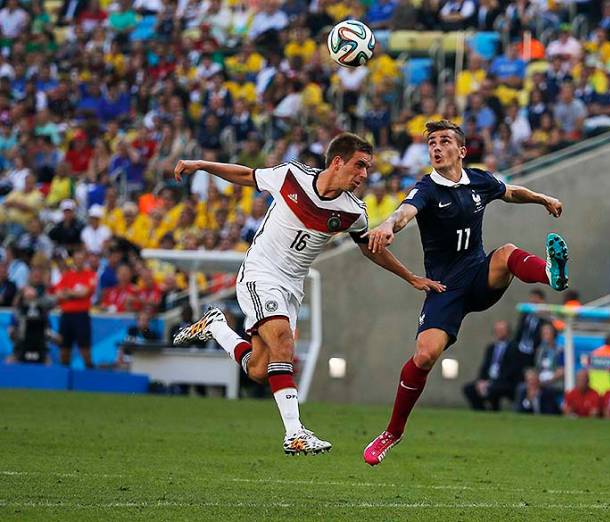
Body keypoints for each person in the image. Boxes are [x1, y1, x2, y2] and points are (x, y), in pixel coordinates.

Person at [171, 133, 441, 456]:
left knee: (259, 369)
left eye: (368, 168)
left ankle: (215, 325)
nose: (364, 175)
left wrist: (409, 277)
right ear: (337, 162)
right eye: (359, 166)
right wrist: (201, 165)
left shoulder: (353, 212)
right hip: (261, 271)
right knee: (283, 342)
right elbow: (247, 175)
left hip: (292, 288)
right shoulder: (292, 177)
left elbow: (370, 248)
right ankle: (295, 433)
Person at [361, 119, 569, 465]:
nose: (436, 147)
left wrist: (542, 198)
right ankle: (392, 433)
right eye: (431, 143)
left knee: (505, 253)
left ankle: (551, 274)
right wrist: (386, 224)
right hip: (444, 289)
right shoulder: (427, 188)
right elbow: (404, 213)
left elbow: (511, 191)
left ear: (461, 150)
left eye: (443, 141)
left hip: (479, 277)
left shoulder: (480, 181)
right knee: (425, 356)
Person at [462, 321, 521, 411]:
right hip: (488, 380)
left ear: (508, 331)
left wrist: (492, 383)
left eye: (502, 330)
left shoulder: (514, 348)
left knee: (493, 389)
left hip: (505, 381)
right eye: (497, 330)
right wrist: (481, 381)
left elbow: (512, 370)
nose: (499, 333)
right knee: (469, 389)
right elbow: (485, 366)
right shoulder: (491, 348)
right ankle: (480, 412)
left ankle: (494, 410)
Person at [52, 248, 97, 368]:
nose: (79, 261)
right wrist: (74, 293)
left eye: (81, 259)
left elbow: (85, 293)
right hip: (66, 316)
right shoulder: (67, 275)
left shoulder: (90, 275)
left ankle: (89, 375)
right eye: (77, 259)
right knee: (64, 349)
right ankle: (64, 379)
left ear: (85, 260)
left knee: (85, 349)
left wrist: (69, 293)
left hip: (81, 316)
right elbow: (58, 293)